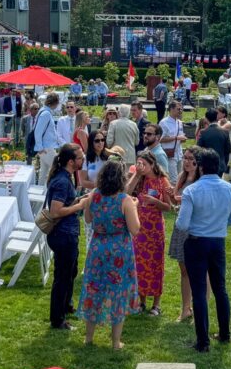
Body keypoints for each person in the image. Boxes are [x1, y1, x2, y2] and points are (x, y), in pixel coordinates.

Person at [175, 149, 231, 352]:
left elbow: (182, 224)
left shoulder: (192, 191)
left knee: (199, 292)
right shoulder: (230, 189)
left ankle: (203, 341)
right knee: (220, 289)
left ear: (201, 166)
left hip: (196, 241)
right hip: (217, 241)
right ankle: (224, 333)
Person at [77, 160, 140, 348]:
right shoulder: (125, 200)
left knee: (94, 289)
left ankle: (89, 338)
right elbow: (135, 229)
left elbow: (88, 219)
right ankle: (115, 342)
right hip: (119, 249)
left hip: (98, 247)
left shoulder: (93, 195)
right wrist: (135, 207)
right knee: (118, 292)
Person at [45, 144, 90, 330]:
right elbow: (56, 211)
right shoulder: (62, 181)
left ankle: (66, 306)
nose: (83, 160)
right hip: (63, 235)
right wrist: (79, 206)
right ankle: (58, 319)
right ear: (71, 162)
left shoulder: (66, 177)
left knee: (70, 272)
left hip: (67, 233)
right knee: (62, 277)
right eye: (80, 158)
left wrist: (78, 200)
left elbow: (64, 204)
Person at [127, 152, 174, 316]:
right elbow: (126, 193)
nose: (141, 167)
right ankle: (141, 301)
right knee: (139, 263)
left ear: (152, 164)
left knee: (155, 263)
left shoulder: (162, 181)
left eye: (143, 164)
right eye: (138, 163)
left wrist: (155, 202)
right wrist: (136, 175)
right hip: (140, 228)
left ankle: (156, 304)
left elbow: (169, 207)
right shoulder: (139, 180)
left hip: (154, 229)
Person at [170, 146, 203, 322]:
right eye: (185, 158)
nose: (187, 162)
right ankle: (185, 308)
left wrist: (182, 199)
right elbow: (175, 203)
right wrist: (171, 196)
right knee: (183, 270)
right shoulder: (182, 178)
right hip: (180, 226)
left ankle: (199, 307)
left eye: (191, 159)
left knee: (199, 270)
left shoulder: (200, 181)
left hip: (194, 228)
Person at [34, 93, 63, 184]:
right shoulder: (46, 113)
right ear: (55, 103)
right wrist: (40, 148)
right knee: (58, 169)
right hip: (46, 148)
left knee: (44, 172)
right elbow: (37, 131)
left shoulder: (45, 112)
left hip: (46, 147)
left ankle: (41, 192)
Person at [159, 100, 188, 181]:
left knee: (181, 178)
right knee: (173, 180)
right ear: (171, 109)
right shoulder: (164, 123)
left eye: (181, 109)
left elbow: (180, 136)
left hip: (179, 154)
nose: (180, 111)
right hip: (170, 154)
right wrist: (176, 138)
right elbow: (160, 139)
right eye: (178, 109)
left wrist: (183, 139)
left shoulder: (179, 122)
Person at [198, 109, 231, 175]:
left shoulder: (204, 132)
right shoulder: (225, 132)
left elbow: (199, 149)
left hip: (206, 166)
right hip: (221, 164)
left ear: (206, 119)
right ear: (217, 117)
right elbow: (228, 150)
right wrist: (224, 163)